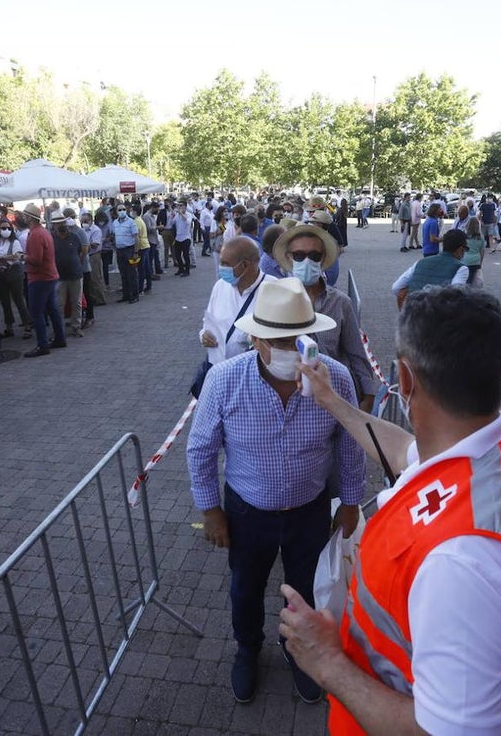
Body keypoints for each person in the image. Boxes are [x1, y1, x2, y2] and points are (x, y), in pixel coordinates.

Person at [279, 285, 501, 735]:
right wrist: (333, 402)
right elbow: (404, 451)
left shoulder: (462, 564)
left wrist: (327, 663)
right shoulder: (494, 457)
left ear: (405, 380)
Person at [187, 278, 366, 705]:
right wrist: (210, 510)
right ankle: (248, 649)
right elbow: (201, 447)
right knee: (245, 587)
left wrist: (352, 502)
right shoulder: (226, 379)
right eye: (278, 340)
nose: (290, 349)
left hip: (310, 507)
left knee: (305, 587)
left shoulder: (334, 378)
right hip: (249, 512)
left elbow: (348, 441)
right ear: (256, 338)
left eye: (298, 338)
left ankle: (299, 653)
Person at [274, 225, 376, 413]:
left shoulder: (340, 303)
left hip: (334, 395)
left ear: (322, 259)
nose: (306, 261)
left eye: (314, 255)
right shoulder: (274, 300)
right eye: (299, 255)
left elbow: (356, 354)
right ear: (289, 258)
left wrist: (368, 398)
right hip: (290, 399)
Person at [199, 237, 274, 367]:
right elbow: (208, 321)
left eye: (225, 264)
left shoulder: (274, 289)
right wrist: (204, 336)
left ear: (245, 265)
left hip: (253, 373)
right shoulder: (220, 286)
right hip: (218, 368)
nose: (221, 267)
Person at [21, 204, 66, 358]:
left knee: (37, 312)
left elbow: (36, 260)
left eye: (24, 215)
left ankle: (42, 345)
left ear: (29, 217)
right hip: (48, 276)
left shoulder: (35, 234)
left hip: (40, 277)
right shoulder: (43, 232)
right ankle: (60, 338)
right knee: (52, 309)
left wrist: (22, 257)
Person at [392, 230, 470, 305]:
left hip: (413, 312)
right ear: (460, 249)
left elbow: (396, 287)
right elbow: (456, 296)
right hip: (438, 314)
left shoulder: (420, 262)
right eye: (466, 249)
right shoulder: (461, 268)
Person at [0, 217, 31, 340]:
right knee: (4, 301)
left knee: (18, 299)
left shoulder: (15, 242)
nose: (6, 230)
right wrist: (3, 258)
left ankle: (27, 325)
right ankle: (9, 326)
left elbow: (17, 257)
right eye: (3, 228)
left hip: (14, 273)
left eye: (8, 228)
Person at [50, 212, 87, 337]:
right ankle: (58, 330)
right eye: (57, 223)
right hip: (59, 277)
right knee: (59, 304)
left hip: (75, 274)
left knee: (76, 303)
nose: (61, 225)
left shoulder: (74, 237)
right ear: (54, 225)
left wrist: (76, 264)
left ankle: (76, 326)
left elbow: (81, 253)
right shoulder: (51, 239)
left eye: (62, 222)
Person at [462, 217, 486, 286]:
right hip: (476, 260)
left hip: (465, 259)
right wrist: (480, 262)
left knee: (466, 278)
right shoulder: (480, 237)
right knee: (474, 278)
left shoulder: (464, 236)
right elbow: (482, 251)